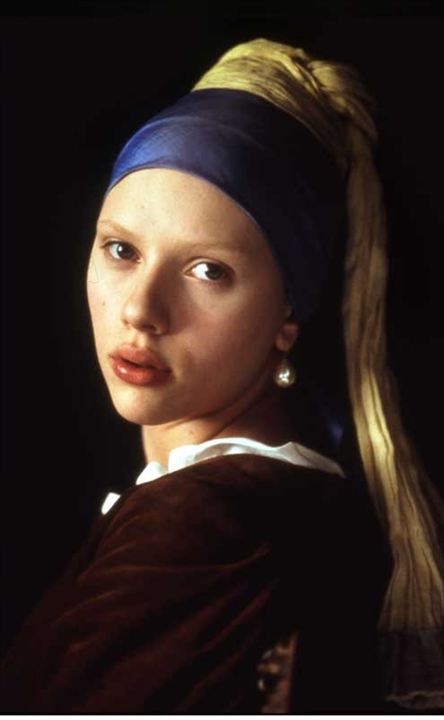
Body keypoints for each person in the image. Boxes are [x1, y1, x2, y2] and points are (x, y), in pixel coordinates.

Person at [1, 37, 443, 714]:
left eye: (208, 270)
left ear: (288, 313)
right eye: (121, 249)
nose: (140, 310)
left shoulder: (206, 526)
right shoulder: (270, 497)